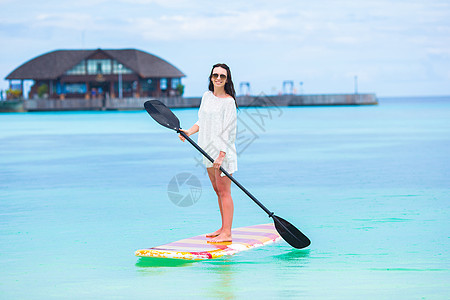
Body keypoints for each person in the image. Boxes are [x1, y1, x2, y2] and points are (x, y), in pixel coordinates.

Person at [179, 63, 238, 243]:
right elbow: (201, 120)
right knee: (217, 190)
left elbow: (229, 130)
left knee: (225, 191)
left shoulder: (229, 102)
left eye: (222, 76)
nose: (218, 79)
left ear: (227, 80)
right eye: (215, 75)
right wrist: (189, 131)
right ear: (211, 77)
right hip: (206, 150)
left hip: (222, 154)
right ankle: (223, 227)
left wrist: (221, 155)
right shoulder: (206, 96)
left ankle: (227, 233)